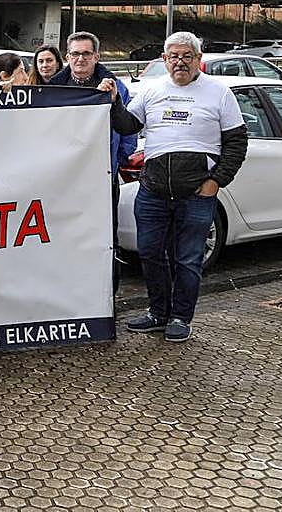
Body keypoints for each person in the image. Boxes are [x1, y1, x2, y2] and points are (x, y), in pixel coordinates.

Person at [106, 31, 248, 343]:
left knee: (188, 259)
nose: (180, 62)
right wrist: (115, 102)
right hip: (153, 190)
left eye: (186, 56)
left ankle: (181, 317)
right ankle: (158, 313)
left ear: (198, 59)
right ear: (164, 59)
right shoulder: (153, 90)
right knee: (150, 253)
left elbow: (237, 142)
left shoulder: (219, 93)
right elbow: (127, 125)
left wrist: (216, 181)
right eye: (174, 56)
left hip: (196, 193)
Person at [49, 31, 134, 291]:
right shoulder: (54, 88)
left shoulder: (116, 87)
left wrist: (118, 159)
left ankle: (107, 296)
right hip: (66, 179)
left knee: (105, 237)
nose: (81, 59)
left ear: (96, 56)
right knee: (66, 236)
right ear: (67, 57)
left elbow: (128, 129)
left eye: (86, 54)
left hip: (103, 178)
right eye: (75, 54)